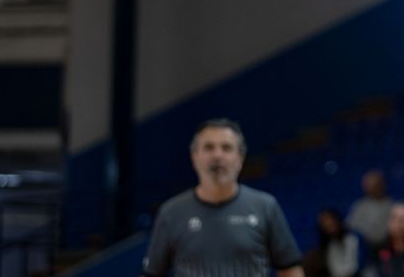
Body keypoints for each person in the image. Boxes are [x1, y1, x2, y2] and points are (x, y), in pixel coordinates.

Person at [142, 118, 304, 277]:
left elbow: (290, 269)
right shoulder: (171, 213)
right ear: (194, 156)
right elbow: (152, 273)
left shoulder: (265, 207)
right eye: (209, 147)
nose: (217, 155)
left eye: (226, 148)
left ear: (240, 158)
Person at [345, 169, 394, 255]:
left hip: (385, 249)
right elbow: (350, 227)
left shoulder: (392, 206)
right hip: (361, 250)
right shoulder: (359, 205)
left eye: (373, 184)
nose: (369, 187)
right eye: (367, 184)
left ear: (382, 184)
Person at [302, 209, 359, 277]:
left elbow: (353, 268)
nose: (327, 224)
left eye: (330, 221)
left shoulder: (352, 239)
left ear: (337, 220)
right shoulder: (329, 245)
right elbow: (335, 269)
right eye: (323, 222)